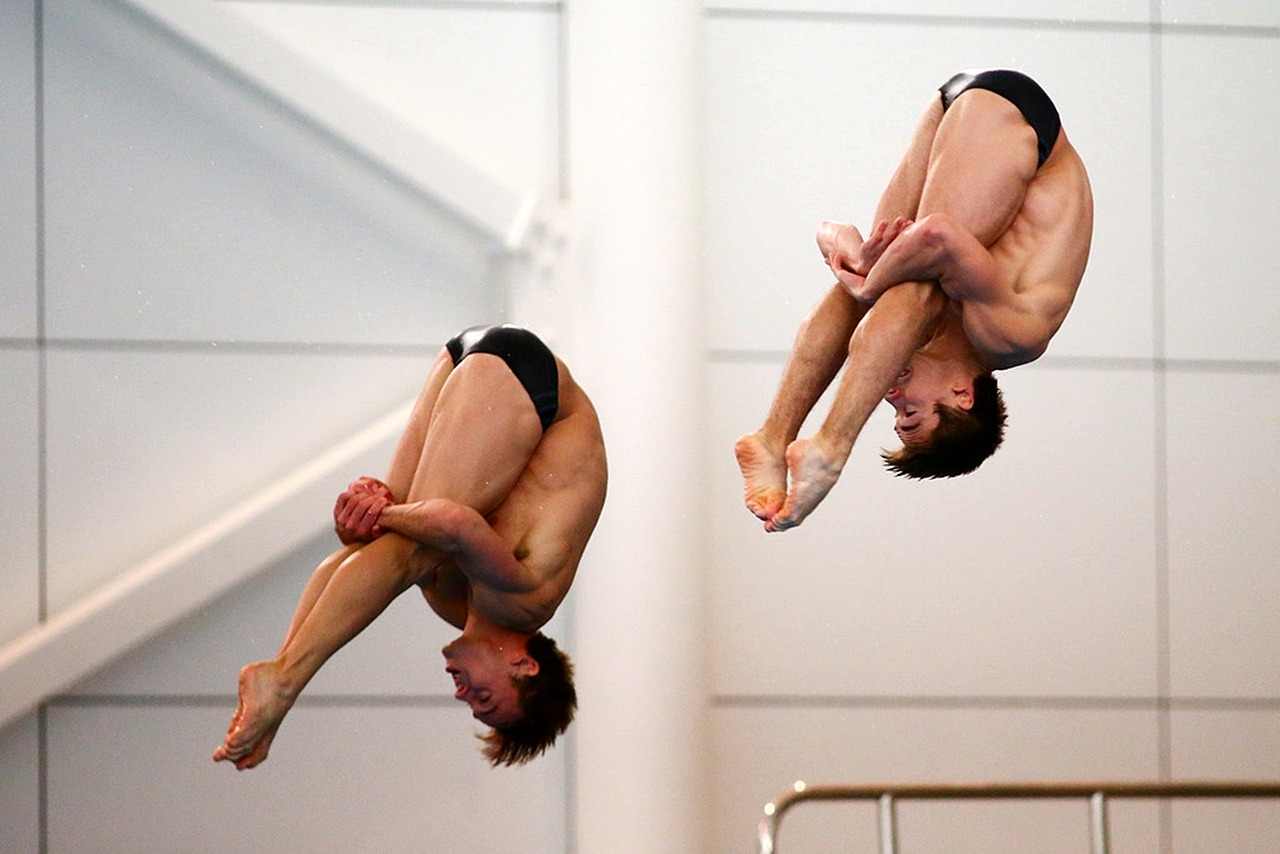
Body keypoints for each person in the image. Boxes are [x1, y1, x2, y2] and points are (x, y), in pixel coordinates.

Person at [213, 324, 607, 769]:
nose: (461, 691)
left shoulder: (450, 604)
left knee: (390, 548)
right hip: (530, 383)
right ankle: (283, 684)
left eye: (468, 700)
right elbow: (453, 523)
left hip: (470, 360)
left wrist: (359, 520)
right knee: (416, 548)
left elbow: (369, 554)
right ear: (524, 666)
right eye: (483, 695)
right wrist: (381, 511)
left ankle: (281, 670)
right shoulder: (527, 602)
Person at [736, 69, 1093, 531]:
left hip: (952, 107)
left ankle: (771, 437)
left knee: (881, 282)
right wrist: (870, 282)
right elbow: (941, 237)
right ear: (962, 395)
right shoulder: (1010, 338)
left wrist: (844, 252)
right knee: (907, 281)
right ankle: (831, 446)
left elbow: (831, 234)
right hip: (1014, 115)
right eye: (910, 412)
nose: (890, 395)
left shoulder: (937, 326)